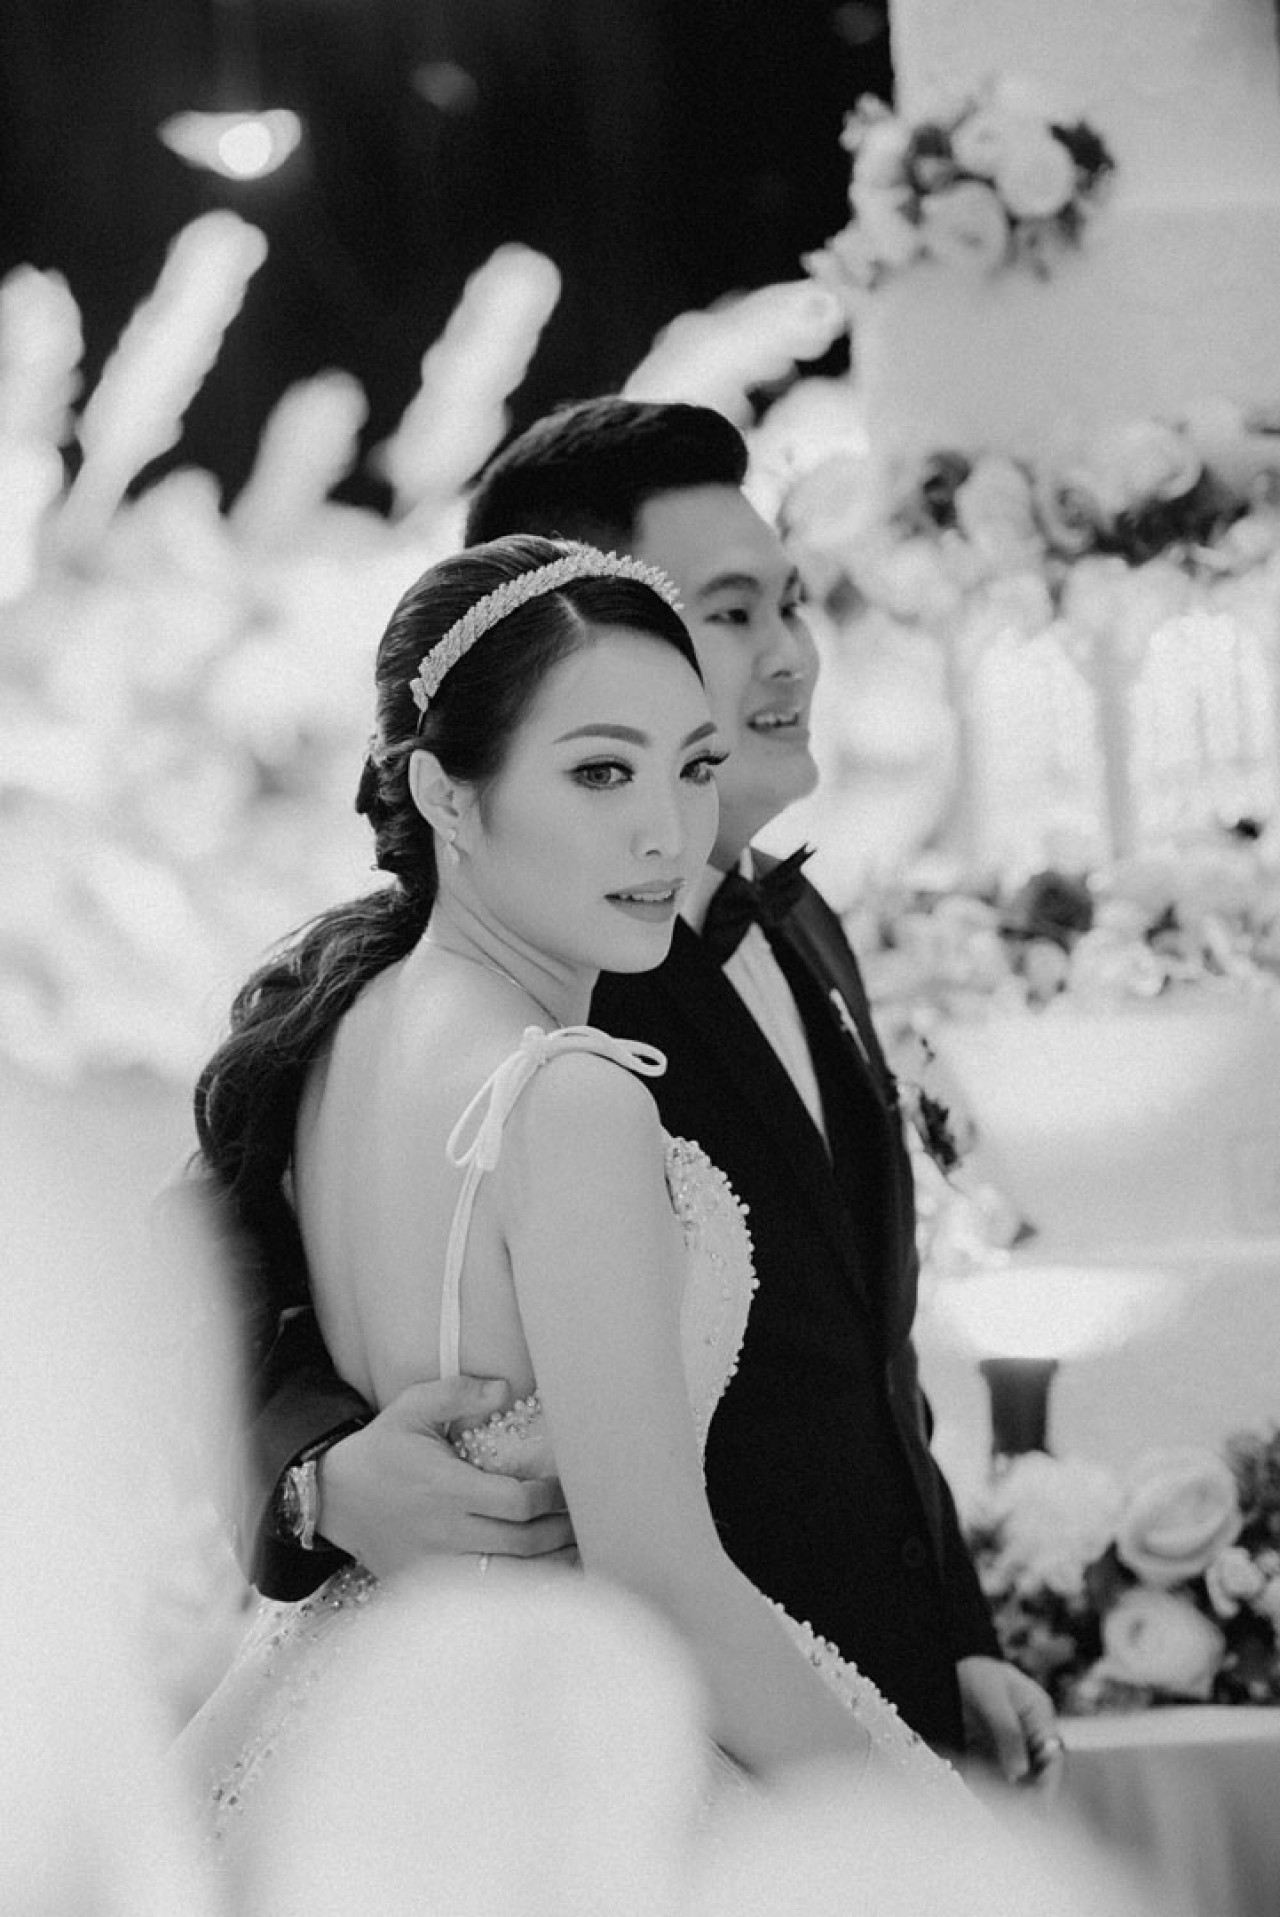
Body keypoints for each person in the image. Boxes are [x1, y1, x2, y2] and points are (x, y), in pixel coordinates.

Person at [226, 400, 1061, 1783]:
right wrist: (318, 1477)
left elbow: (868, 1350)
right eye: (727, 613)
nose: (789, 654)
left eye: (793, 602)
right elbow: (206, 1260)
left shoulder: (773, 932)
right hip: (647, 1723)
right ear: (452, 787)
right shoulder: (563, 1016)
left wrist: (948, 1637)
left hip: (682, 1693)